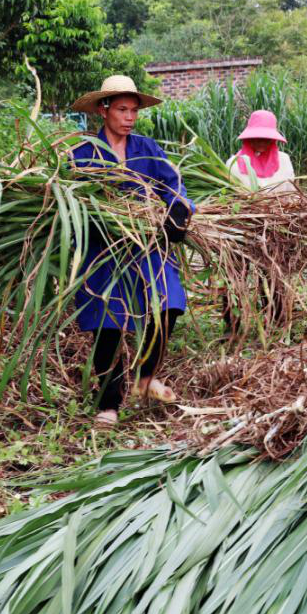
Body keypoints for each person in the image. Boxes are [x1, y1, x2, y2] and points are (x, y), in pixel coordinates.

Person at [69, 75, 193, 425]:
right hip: (102, 249)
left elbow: (175, 184)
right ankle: (108, 403)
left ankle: (145, 376)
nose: (130, 117)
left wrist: (179, 209)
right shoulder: (82, 153)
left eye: (134, 111)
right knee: (106, 325)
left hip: (146, 243)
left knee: (168, 302)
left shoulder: (147, 148)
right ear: (102, 109)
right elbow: (69, 197)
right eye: (122, 109)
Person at [225, 110, 296, 193]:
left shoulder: (284, 161)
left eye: (266, 138)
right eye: (258, 137)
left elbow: (291, 193)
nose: (262, 142)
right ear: (249, 138)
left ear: (272, 139)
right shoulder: (233, 164)